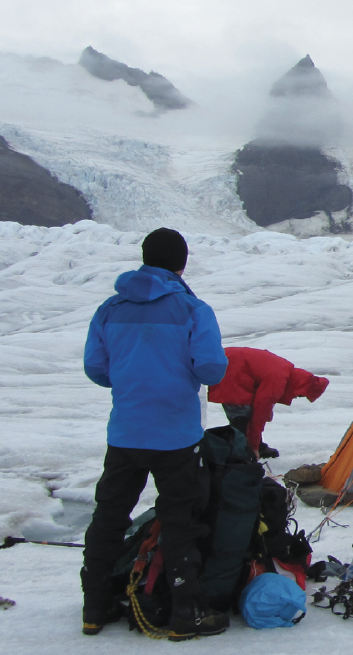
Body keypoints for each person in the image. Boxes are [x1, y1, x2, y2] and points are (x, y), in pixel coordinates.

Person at [80, 228, 229, 640]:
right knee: (181, 520)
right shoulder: (192, 308)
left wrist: (133, 380)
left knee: (109, 516)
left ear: (144, 258)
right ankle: (186, 612)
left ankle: (95, 608)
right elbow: (211, 369)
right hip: (176, 436)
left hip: (126, 432)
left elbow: (96, 368)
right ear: (181, 263)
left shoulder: (110, 308)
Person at [207, 347, 329, 459]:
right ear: (298, 387)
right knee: (241, 417)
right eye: (301, 394)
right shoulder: (278, 379)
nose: (296, 397)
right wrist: (254, 448)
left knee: (246, 414)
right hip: (231, 371)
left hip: (231, 363)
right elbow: (260, 413)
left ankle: (247, 447)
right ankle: (239, 454)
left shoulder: (286, 371)